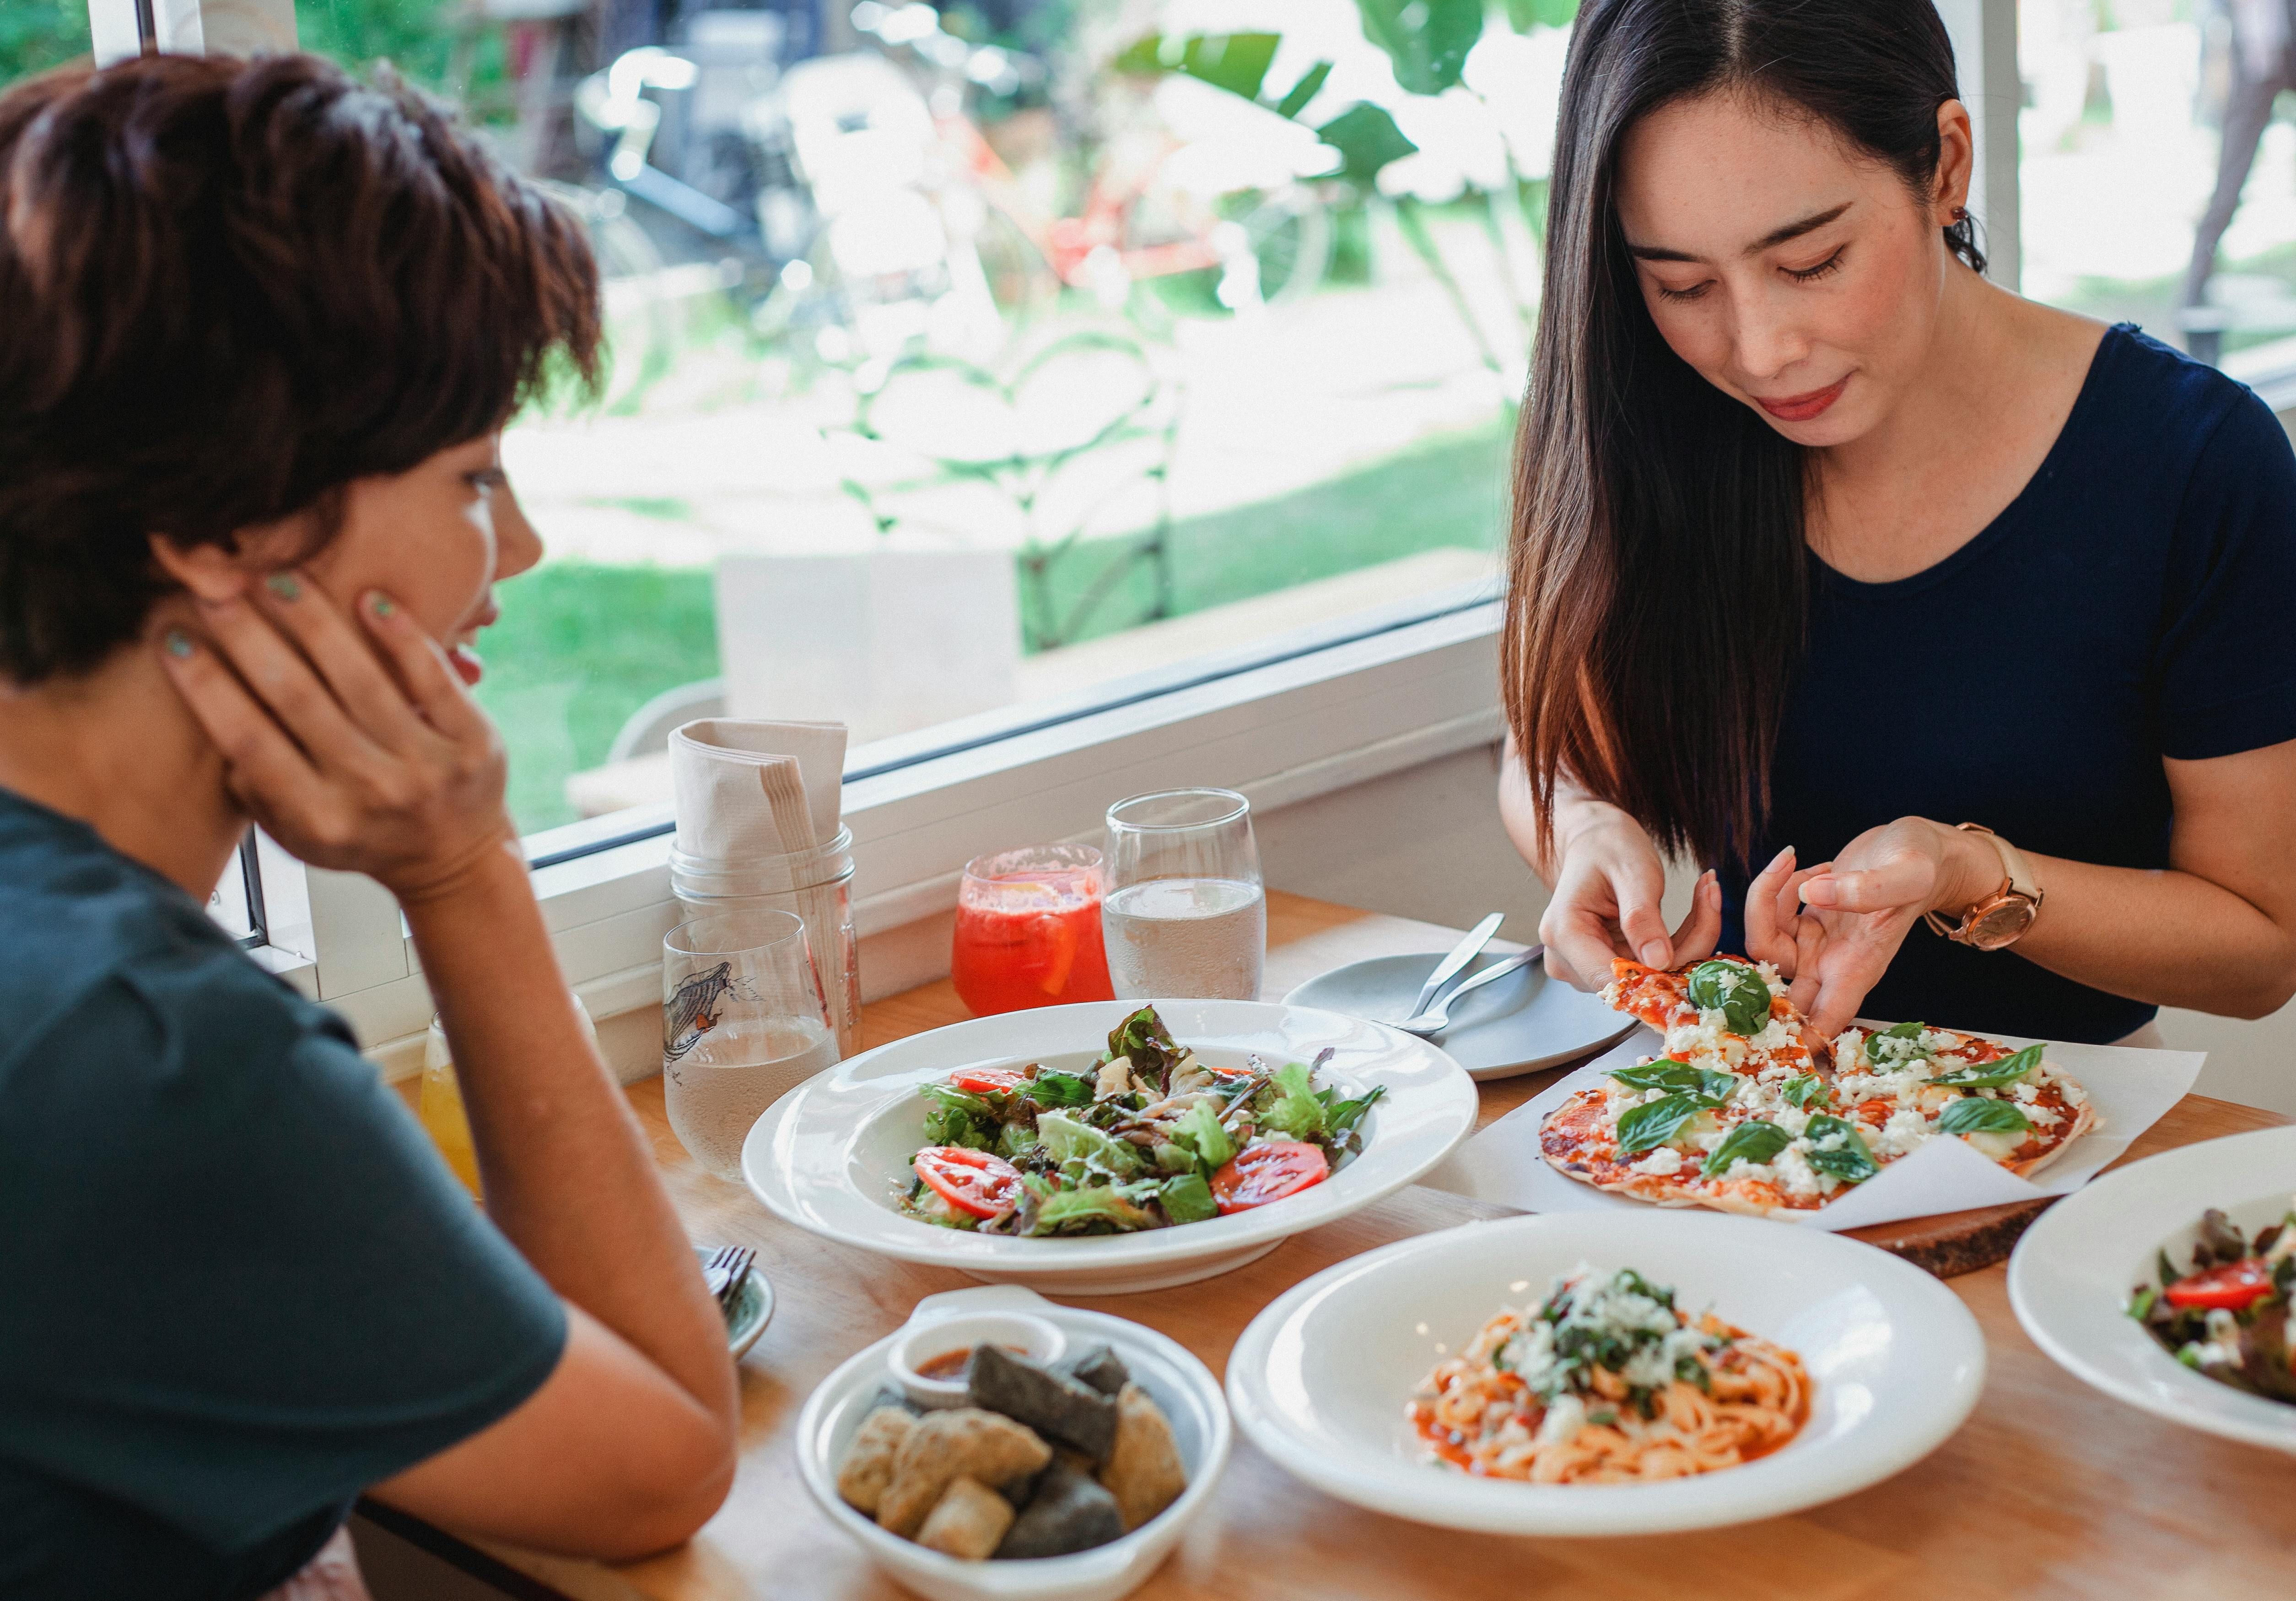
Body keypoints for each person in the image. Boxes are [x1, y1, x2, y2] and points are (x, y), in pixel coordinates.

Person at [0, 54, 740, 1599]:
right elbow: (665, 1459)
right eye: (475, 471)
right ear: (226, 530)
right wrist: (465, 873)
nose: (519, 548)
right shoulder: (145, 1057)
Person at [1498, 0, 2296, 1046]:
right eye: (1681, 284)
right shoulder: (1654, 415)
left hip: (2065, 1119)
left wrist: (1972, 875)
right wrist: (1585, 829)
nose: (1757, 350)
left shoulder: (2192, 460)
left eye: (1810, 262)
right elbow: (1551, 745)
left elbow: (2260, 950)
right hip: (1748, 1125)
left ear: (1946, 167)